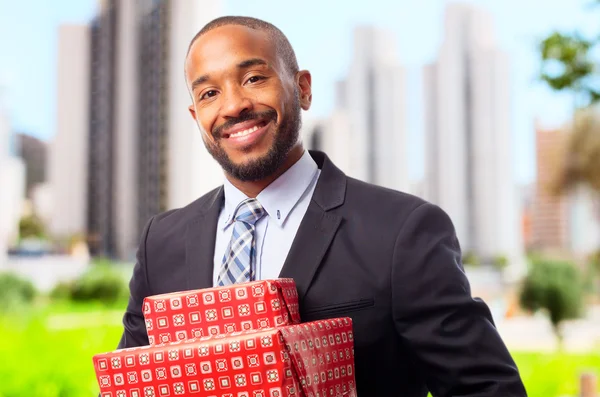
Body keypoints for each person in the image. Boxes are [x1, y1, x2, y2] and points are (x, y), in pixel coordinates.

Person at [116, 16, 527, 397]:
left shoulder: (402, 232)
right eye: (209, 93)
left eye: (254, 78)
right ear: (196, 116)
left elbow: (487, 389)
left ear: (304, 88)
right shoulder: (161, 242)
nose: (233, 105)